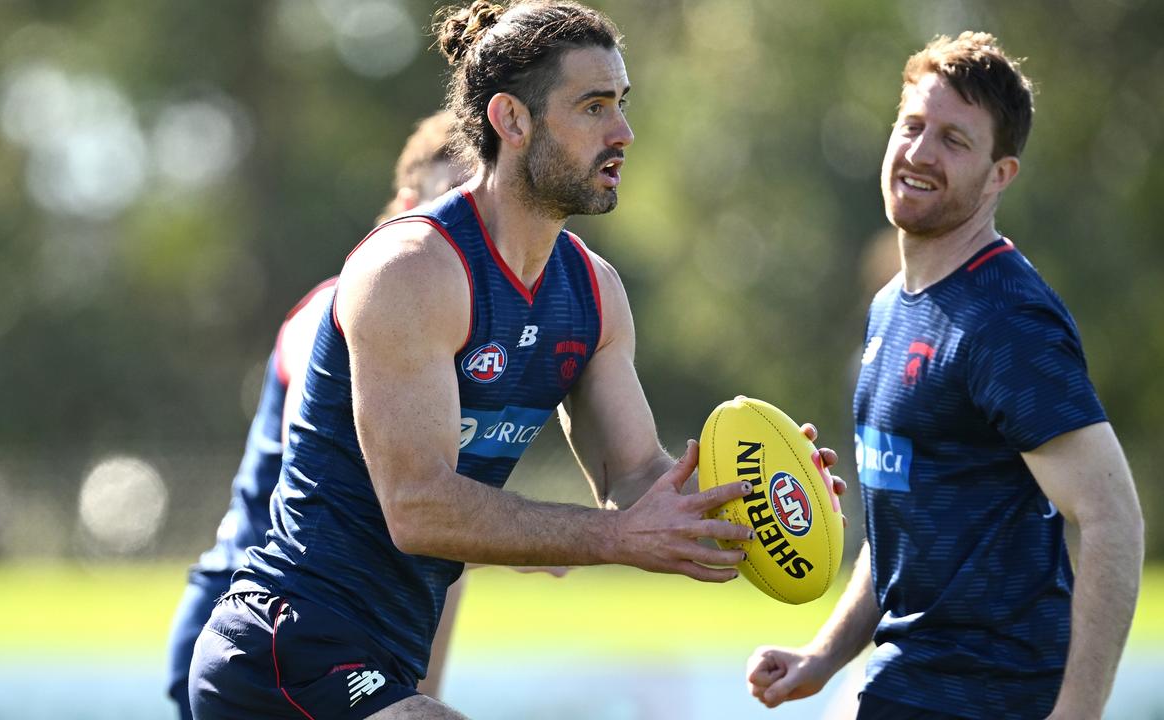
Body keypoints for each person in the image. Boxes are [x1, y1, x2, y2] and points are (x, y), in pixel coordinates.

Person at [190, 2, 842, 719]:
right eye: (593, 107)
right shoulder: (411, 271)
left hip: (387, 658)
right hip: (286, 648)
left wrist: (762, 499)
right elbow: (418, 507)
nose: (622, 132)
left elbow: (634, 478)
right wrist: (619, 539)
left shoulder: (594, 294)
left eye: (621, 105)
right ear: (511, 120)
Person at [746, 32, 1143, 719]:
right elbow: (899, 533)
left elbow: (1113, 517)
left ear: (999, 175)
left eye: (955, 141)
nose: (921, 153)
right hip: (903, 684)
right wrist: (824, 656)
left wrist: (1078, 712)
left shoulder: (1006, 320)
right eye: (912, 126)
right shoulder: (890, 308)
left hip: (990, 698)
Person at [165, 111, 470, 720]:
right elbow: (358, 488)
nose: (472, 227)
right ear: (409, 203)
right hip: (257, 631)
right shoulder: (334, 311)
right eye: (454, 200)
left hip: (347, 646)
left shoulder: (461, 340)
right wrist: (552, 533)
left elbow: (442, 555)